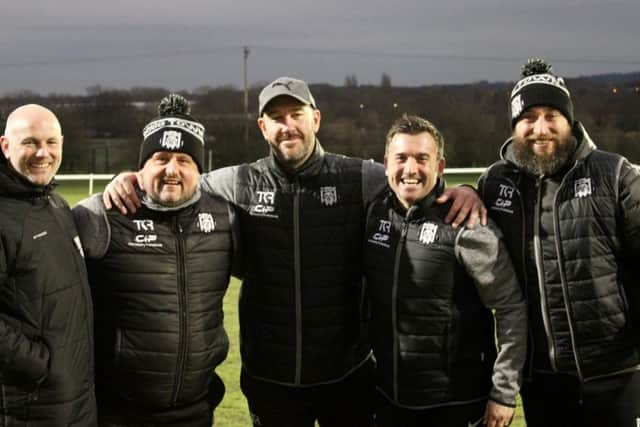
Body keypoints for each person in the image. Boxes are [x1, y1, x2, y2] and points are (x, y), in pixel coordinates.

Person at [103, 77, 486, 427]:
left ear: (315, 119)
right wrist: (130, 179)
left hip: (347, 374)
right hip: (271, 378)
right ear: (263, 127)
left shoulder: (359, 178)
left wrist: (465, 189)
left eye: (296, 114)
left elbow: (412, 180)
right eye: (276, 116)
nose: (287, 125)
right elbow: (176, 178)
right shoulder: (237, 182)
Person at [477, 58, 640, 427]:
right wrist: (463, 195)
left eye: (552, 115)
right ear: (515, 126)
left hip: (613, 373)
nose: (541, 128)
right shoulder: (495, 183)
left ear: (569, 121)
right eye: (529, 117)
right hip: (541, 379)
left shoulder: (613, 174)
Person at [72, 94, 238, 426]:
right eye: (160, 158)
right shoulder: (98, 216)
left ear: (199, 170)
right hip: (118, 413)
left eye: (184, 160)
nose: (171, 170)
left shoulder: (226, 218)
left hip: (196, 410)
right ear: (141, 167)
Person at [364, 114, 526, 427]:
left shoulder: (467, 224)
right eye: (401, 158)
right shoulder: (374, 212)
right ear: (386, 163)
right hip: (389, 399)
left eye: (422, 159)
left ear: (440, 166)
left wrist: (504, 392)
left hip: (457, 404)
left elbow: (510, 308)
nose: (410, 169)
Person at [0, 104, 97, 425]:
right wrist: (37, 365)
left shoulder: (56, 205)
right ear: (5, 146)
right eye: (30, 142)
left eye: (51, 142)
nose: (43, 153)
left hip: (77, 399)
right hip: (29, 406)